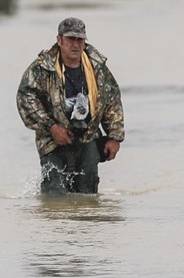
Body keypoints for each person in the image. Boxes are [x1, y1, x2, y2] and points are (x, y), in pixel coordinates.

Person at [16, 17, 125, 194]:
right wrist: (51, 127)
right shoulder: (42, 68)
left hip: (87, 137)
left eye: (79, 40)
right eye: (70, 39)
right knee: (54, 194)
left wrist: (114, 136)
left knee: (87, 196)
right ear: (59, 40)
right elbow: (26, 98)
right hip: (52, 140)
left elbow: (112, 100)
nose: (75, 44)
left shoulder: (97, 67)